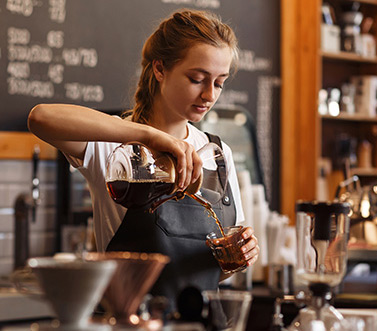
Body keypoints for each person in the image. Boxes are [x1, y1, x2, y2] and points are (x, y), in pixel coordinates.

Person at [28, 9, 259, 312]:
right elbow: (41, 118)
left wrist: (240, 256)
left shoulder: (218, 153)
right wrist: (149, 137)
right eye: (197, 79)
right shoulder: (115, 148)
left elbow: (215, 267)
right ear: (160, 69)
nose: (209, 95)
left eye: (219, 82)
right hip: (132, 321)